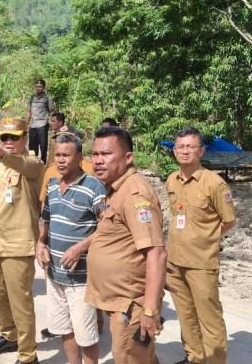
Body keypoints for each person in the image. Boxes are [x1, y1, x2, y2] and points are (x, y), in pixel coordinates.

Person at [86, 126, 166, 364]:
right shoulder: (116, 189)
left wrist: (150, 312)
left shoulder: (135, 194)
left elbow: (156, 253)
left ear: (128, 157)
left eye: (106, 154)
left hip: (131, 306)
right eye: (95, 154)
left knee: (131, 358)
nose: (98, 161)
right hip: (119, 302)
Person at [165, 127, 236, 364]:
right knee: (186, 315)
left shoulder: (214, 184)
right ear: (175, 151)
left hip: (202, 263)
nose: (185, 151)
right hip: (175, 261)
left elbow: (228, 221)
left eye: (191, 147)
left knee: (210, 319)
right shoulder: (171, 181)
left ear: (201, 151)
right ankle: (194, 357)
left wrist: (207, 239)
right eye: (181, 147)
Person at [0, 117, 44, 364]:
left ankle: (28, 355)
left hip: (19, 245)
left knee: (21, 302)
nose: (8, 142)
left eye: (14, 137)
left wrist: (1, 155)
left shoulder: (32, 164)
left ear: (25, 139)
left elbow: (23, 165)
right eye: (4, 138)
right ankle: (9, 336)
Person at [37, 133, 104, 364]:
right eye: (57, 155)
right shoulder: (53, 186)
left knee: (86, 334)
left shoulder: (94, 187)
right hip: (55, 274)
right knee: (64, 328)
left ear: (80, 157)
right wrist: (40, 243)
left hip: (81, 279)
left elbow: (107, 229)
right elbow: (45, 220)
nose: (61, 160)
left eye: (66, 155)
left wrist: (80, 248)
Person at [26, 79, 55, 164]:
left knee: (43, 147)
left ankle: (43, 165)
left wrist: (53, 124)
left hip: (43, 125)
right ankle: (33, 164)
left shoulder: (47, 98)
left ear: (44, 87)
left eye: (40, 86)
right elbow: (29, 112)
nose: (38, 88)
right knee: (32, 147)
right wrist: (26, 123)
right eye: (37, 86)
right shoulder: (32, 98)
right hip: (33, 125)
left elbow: (51, 112)